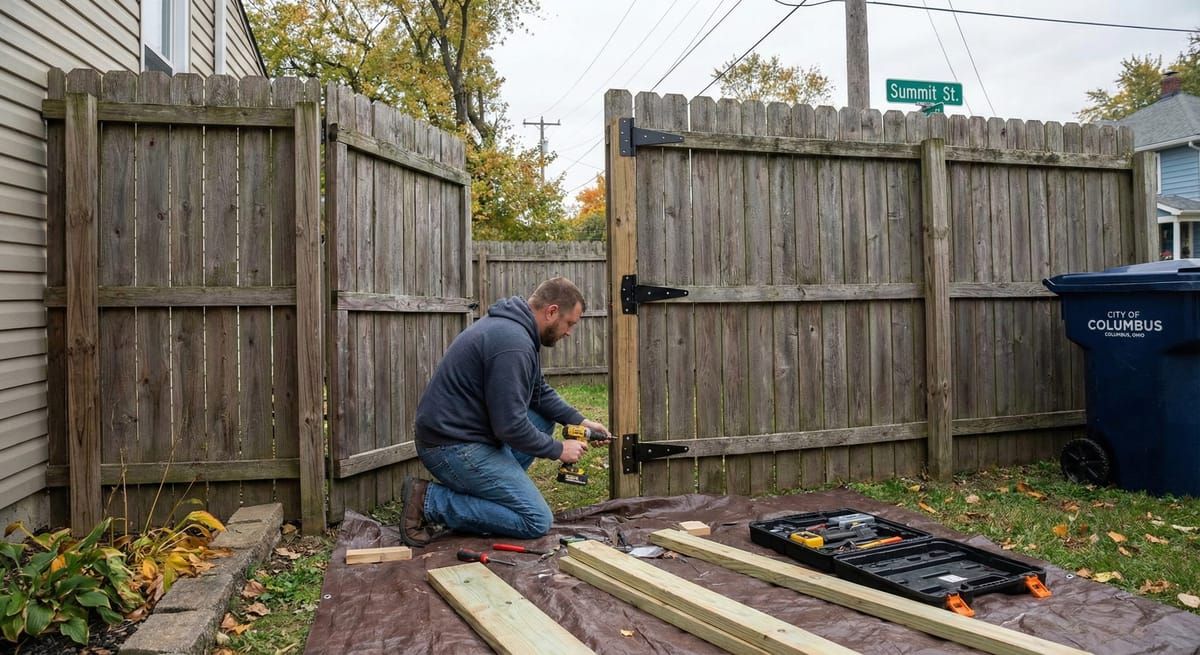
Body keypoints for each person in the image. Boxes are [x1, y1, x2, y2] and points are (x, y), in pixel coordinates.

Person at [400, 276, 610, 546]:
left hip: (468, 435)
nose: (569, 332)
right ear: (552, 311)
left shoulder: (517, 331)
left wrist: (582, 421)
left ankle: (493, 494)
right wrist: (559, 449)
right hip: (450, 447)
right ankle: (429, 501)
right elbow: (509, 426)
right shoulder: (513, 343)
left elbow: (538, 393)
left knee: (542, 419)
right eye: (570, 323)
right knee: (535, 519)